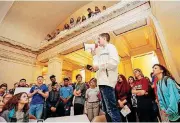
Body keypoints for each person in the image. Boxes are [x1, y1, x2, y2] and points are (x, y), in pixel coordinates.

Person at [90, 33, 121, 122]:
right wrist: (94, 55)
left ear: (104, 38)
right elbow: (97, 65)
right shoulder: (101, 51)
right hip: (101, 83)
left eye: (99, 38)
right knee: (107, 110)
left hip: (107, 82)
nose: (98, 41)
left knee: (111, 109)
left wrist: (100, 66)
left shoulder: (111, 47)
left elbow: (114, 62)